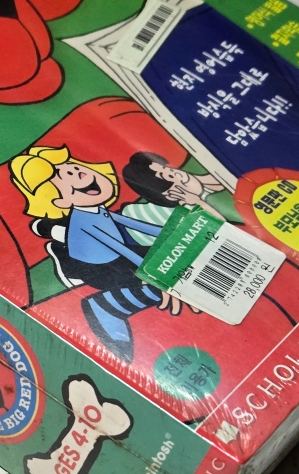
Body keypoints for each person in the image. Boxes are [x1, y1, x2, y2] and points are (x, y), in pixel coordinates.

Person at [11, 146, 196, 363]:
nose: (75, 172)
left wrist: (172, 232)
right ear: (59, 201)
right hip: (100, 268)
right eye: (61, 175)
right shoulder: (83, 220)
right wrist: (153, 274)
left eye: (72, 166)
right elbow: (119, 249)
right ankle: (104, 306)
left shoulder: (99, 210)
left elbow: (130, 224)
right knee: (159, 280)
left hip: (117, 254)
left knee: (173, 260)